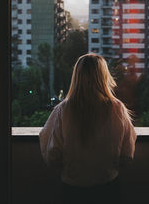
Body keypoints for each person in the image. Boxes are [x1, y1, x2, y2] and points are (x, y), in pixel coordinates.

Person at [39, 53, 137, 204]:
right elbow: (127, 155)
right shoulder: (117, 109)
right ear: (104, 76)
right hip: (108, 188)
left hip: (73, 191)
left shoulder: (63, 110)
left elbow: (52, 155)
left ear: (76, 77)